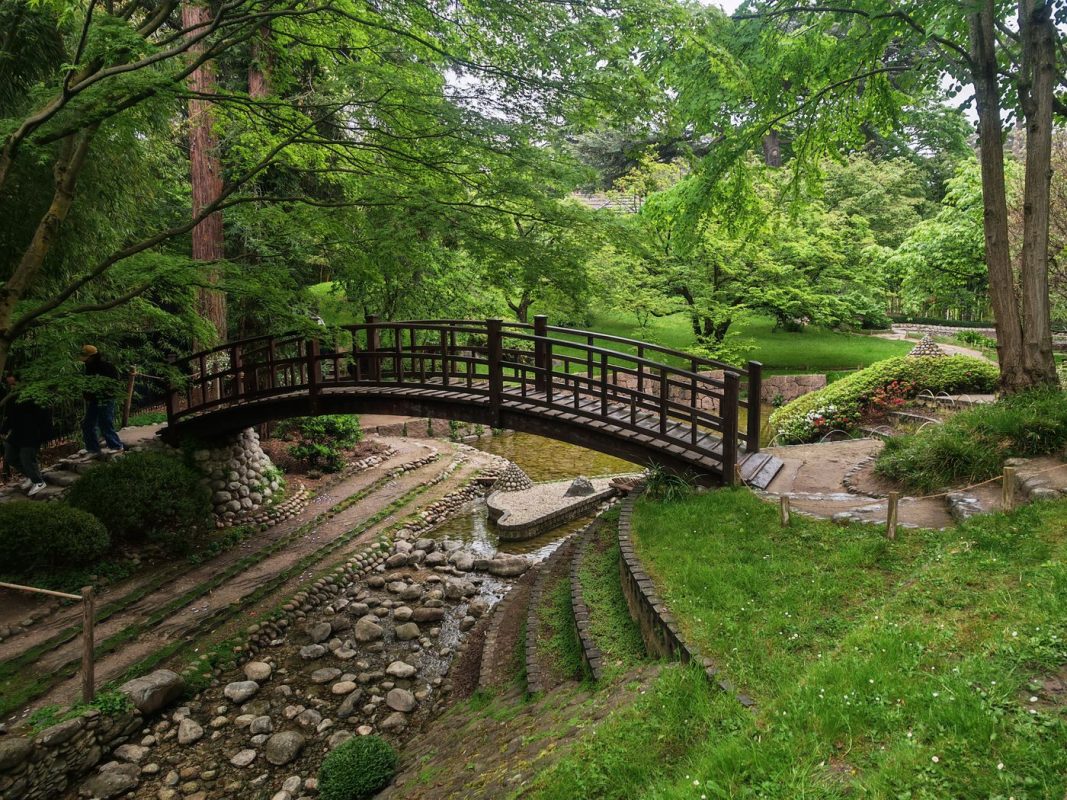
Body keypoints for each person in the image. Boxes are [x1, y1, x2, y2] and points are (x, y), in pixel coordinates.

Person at [0, 374, 53, 496]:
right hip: (17, 433)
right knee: (10, 456)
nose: (12, 387)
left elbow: (45, 418)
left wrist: (45, 435)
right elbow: (9, 416)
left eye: (14, 384)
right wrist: (3, 430)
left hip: (32, 434)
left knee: (27, 458)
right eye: (10, 385)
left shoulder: (35, 397)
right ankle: (30, 475)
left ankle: (38, 482)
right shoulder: (13, 398)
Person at [80, 344, 125, 456]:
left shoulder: (107, 367)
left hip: (106, 399)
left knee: (105, 422)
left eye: (87, 358)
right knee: (88, 424)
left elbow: (115, 384)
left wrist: (105, 393)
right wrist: (87, 394)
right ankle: (93, 449)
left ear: (93, 356)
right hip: (94, 400)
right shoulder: (89, 368)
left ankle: (116, 446)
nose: (85, 361)